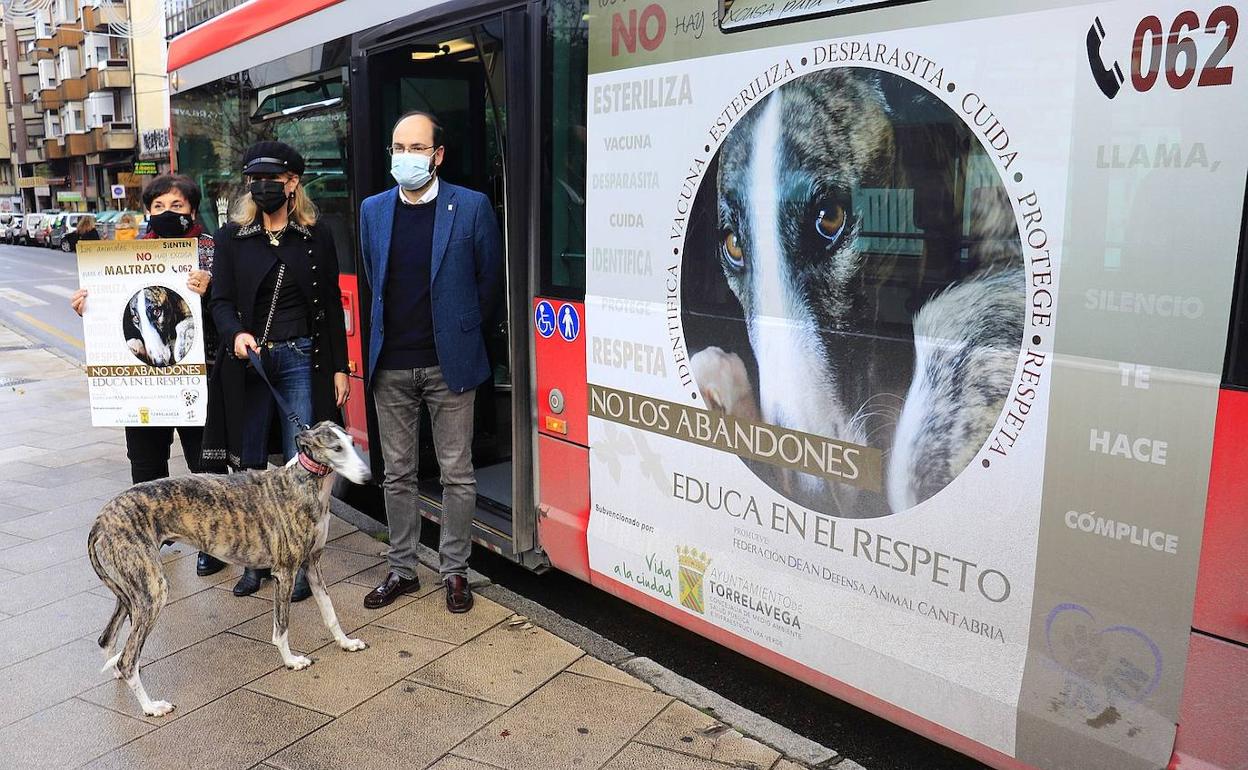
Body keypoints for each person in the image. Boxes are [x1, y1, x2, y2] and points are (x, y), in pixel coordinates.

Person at [359, 111, 503, 614]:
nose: (405, 157)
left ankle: (455, 572)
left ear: (437, 155)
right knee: (396, 474)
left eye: (416, 148)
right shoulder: (372, 211)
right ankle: (402, 570)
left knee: (456, 474)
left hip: (451, 365)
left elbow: (489, 285)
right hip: (391, 366)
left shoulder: (472, 207)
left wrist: (460, 332)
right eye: (398, 148)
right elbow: (375, 280)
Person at [204, 140, 350, 602]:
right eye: (255, 181)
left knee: (303, 468)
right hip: (252, 364)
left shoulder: (315, 236)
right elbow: (221, 301)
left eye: (273, 180)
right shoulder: (232, 237)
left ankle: (302, 566)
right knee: (249, 468)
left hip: (303, 358)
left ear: (293, 183)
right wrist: (235, 335)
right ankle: (253, 564)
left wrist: (340, 369)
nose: (262, 188)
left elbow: (329, 304)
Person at [70, 175, 226, 576]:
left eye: (176, 206)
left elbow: (230, 309)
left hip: (197, 377)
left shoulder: (213, 252)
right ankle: (154, 535)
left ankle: (211, 542)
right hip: (143, 386)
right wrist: (89, 306)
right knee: (145, 464)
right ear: (147, 212)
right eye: (158, 207)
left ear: (192, 209)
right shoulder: (122, 256)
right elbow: (114, 315)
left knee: (204, 465)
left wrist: (211, 289)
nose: (167, 214)